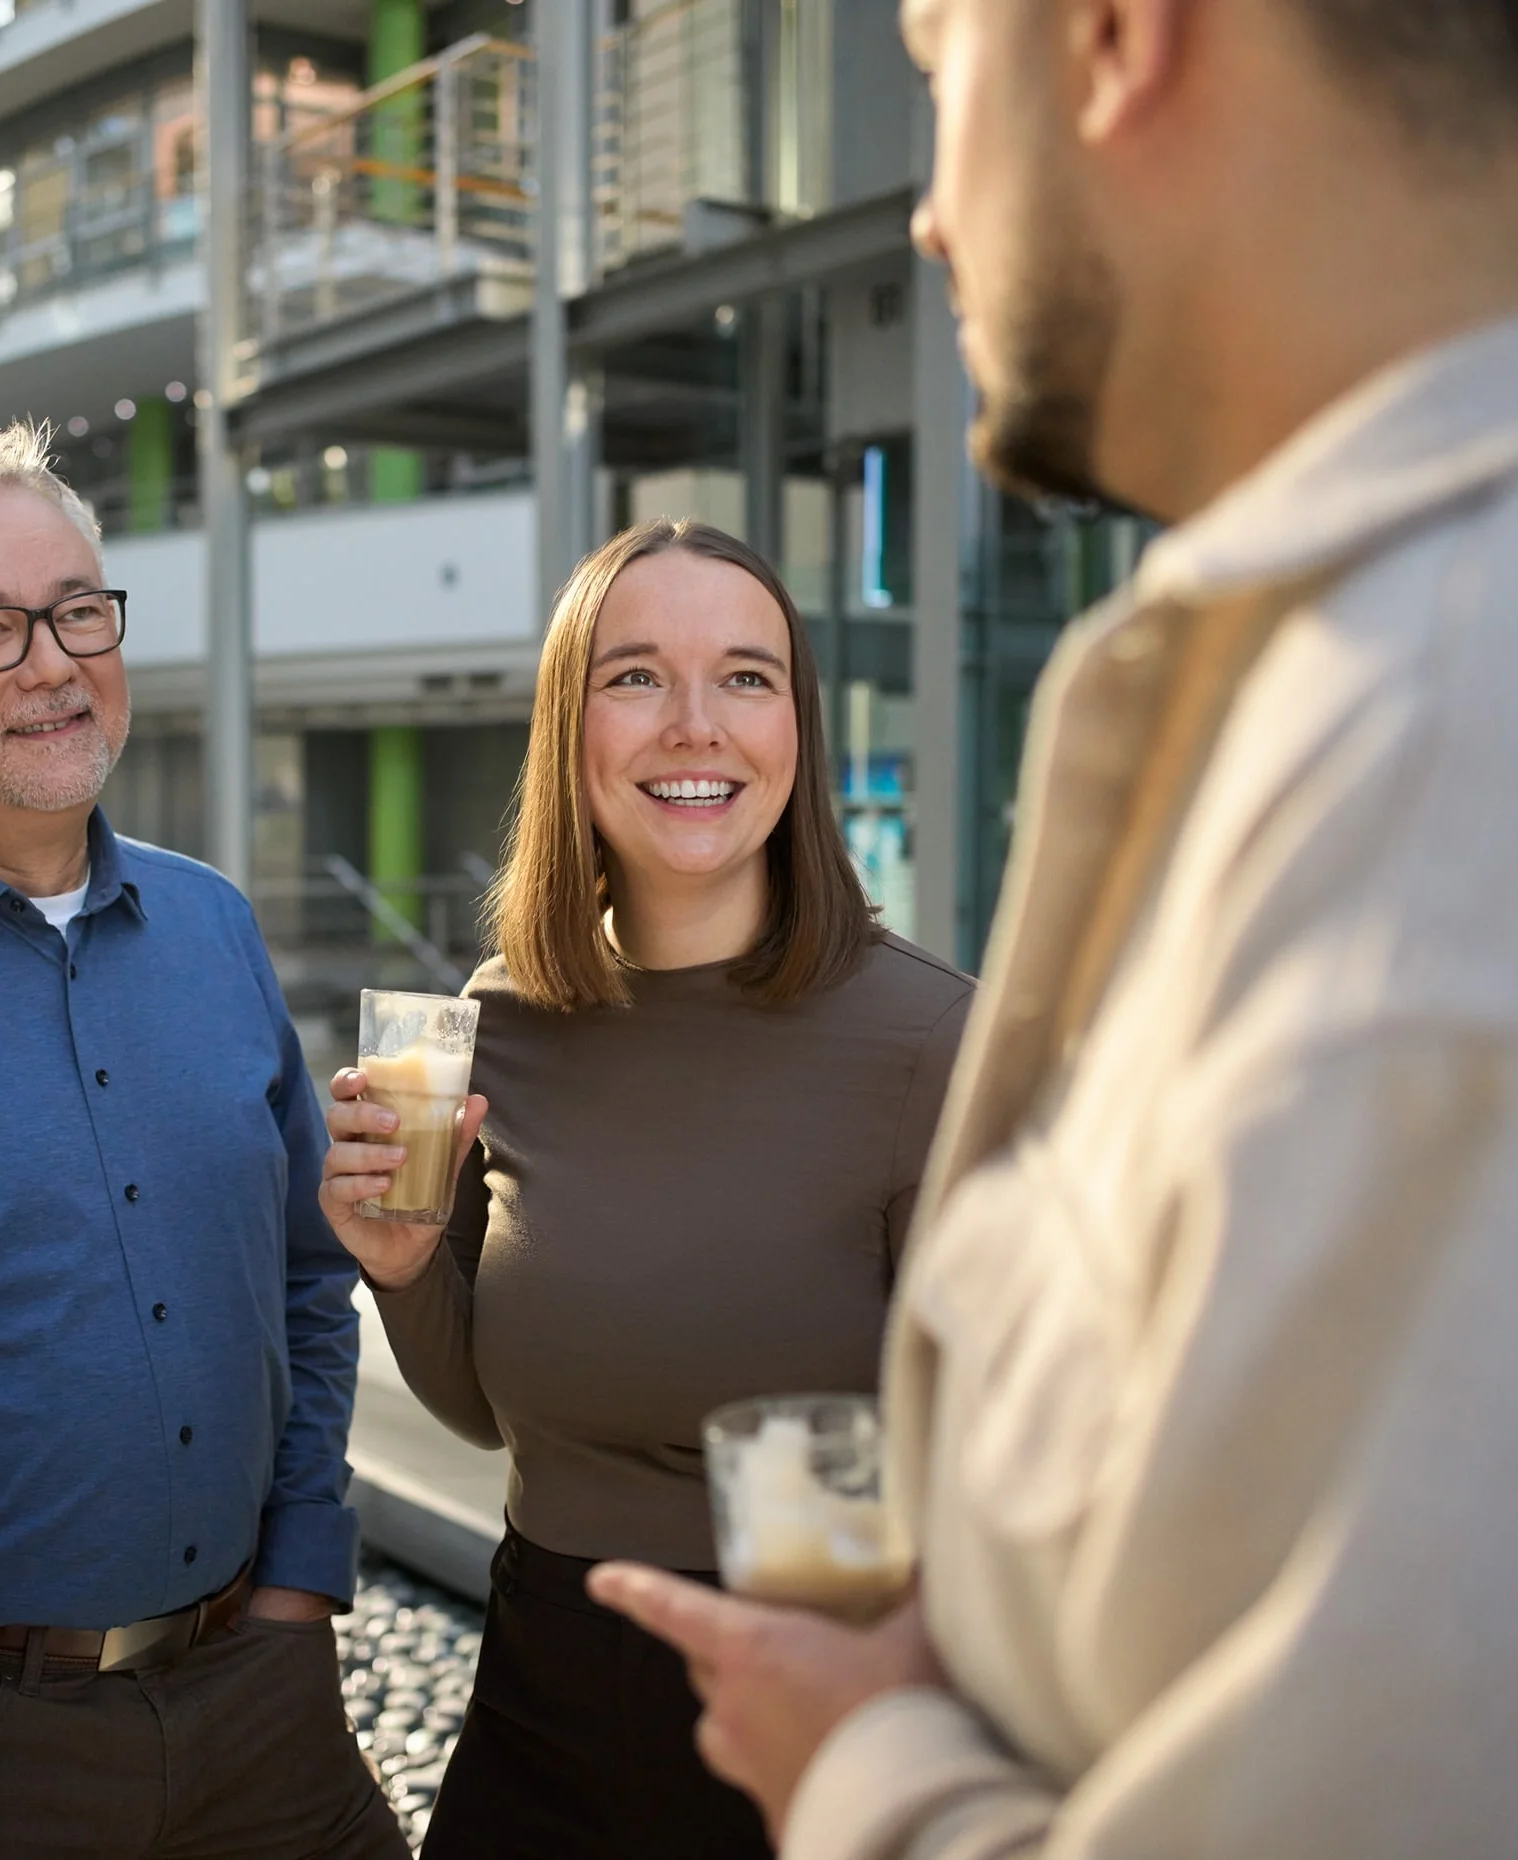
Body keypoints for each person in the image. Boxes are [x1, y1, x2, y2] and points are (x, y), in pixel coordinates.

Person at [588, 1, 1518, 1857]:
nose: (928, 215)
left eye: (939, 71)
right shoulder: (1465, 685)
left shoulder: (1462, 797)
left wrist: (868, 1779)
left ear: (1111, 36)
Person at [0, 422, 404, 1860]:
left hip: (269, 1701)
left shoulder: (213, 925)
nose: (53, 663)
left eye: (77, 610)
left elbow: (310, 1278)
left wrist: (301, 1574)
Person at [317, 520, 972, 1859]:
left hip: (811, 1714)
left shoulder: (936, 1041)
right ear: (569, 729)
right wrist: (402, 1267)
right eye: (635, 677)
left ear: (799, 728)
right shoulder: (503, 1019)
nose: (695, 725)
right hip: (539, 1696)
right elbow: (494, 1418)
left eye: (745, 676)